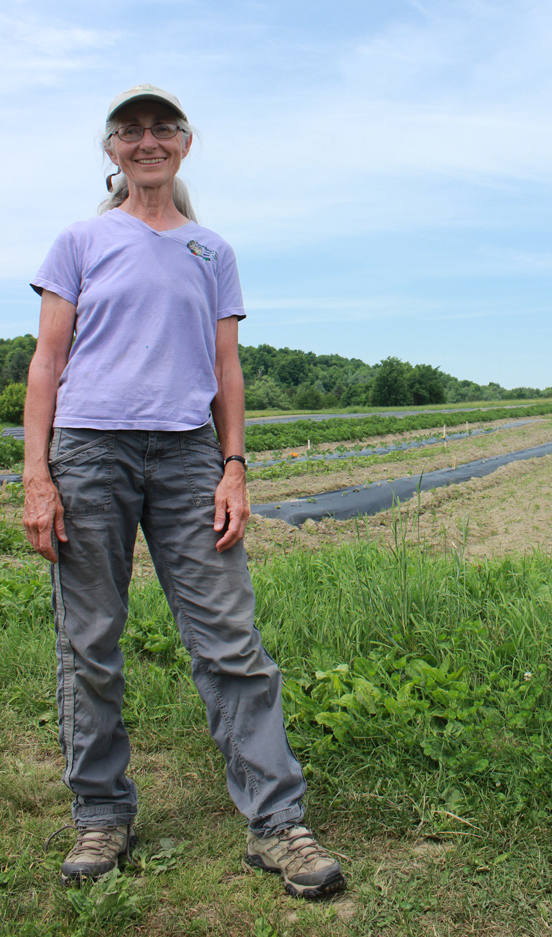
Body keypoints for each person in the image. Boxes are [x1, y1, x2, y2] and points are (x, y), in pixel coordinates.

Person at [22, 85, 346, 900]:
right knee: (90, 641)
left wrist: (234, 465)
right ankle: (102, 813)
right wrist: (37, 476)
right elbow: (47, 364)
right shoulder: (81, 240)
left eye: (162, 128)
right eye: (130, 131)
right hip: (90, 452)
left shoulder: (211, 251)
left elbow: (226, 368)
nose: (147, 141)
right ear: (112, 151)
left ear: (186, 143)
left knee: (230, 641)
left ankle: (278, 826)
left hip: (188, 458)